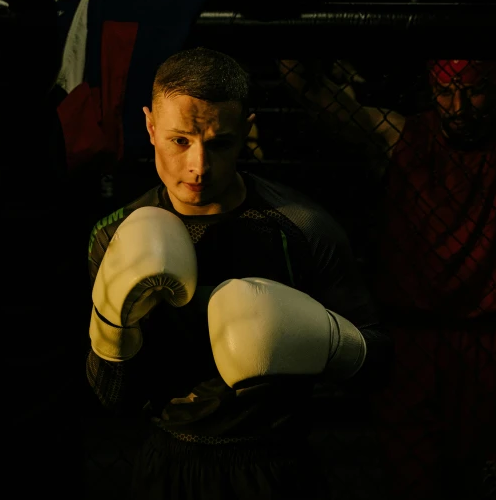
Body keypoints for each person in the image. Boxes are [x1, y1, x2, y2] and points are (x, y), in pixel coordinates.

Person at [279, 58, 496, 499]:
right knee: (414, 478)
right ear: (430, 91)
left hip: (487, 338)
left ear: (495, 91)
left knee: (488, 477)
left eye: (472, 91)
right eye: (445, 92)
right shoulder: (400, 137)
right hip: (412, 338)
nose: (458, 106)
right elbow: (314, 96)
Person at [85, 47, 394, 500]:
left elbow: (379, 365)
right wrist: (114, 327)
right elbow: (111, 398)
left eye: (219, 142)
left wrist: (330, 340)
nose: (198, 166)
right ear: (150, 127)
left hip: (275, 465)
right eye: (179, 140)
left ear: (246, 132)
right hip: (167, 463)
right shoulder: (114, 236)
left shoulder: (302, 227)